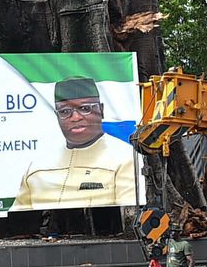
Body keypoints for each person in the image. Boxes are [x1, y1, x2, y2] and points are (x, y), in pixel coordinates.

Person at [16, 77, 138, 210]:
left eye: (85, 108)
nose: (76, 117)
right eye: (65, 111)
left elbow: (129, 216)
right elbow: (19, 219)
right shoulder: (37, 166)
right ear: (56, 116)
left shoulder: (125, 158)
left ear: (101, 110)